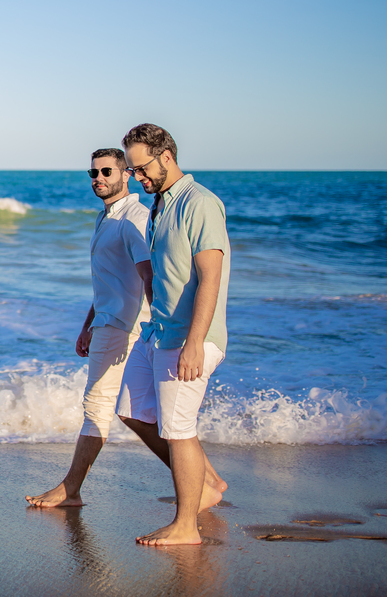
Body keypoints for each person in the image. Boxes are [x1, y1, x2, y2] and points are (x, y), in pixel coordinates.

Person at [116, 123, 231, 546]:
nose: (137, 178)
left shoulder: (199, 203)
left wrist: (196, 343)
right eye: (132, 171)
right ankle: (204, 485)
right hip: (159, 333)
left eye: (141, 169)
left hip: (190, 337)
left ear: (166, 156)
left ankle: (187, 527)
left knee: (178, 429)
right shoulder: (161, 205)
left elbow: (210, 279)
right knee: (131, 410)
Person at [26, 148, 153, 508]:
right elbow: (107, 283)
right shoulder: (107, 218)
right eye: (93, 173)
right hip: (108, 323)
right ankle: (203, 479)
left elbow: (149, 276)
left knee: (102, 407)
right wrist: (87, 326)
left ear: (126, 174)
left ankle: (71, 490)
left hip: (127, 327)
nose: (98, 178)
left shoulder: (134, 218)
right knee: (131, 412)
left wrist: (157, 324)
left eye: (107, 171)